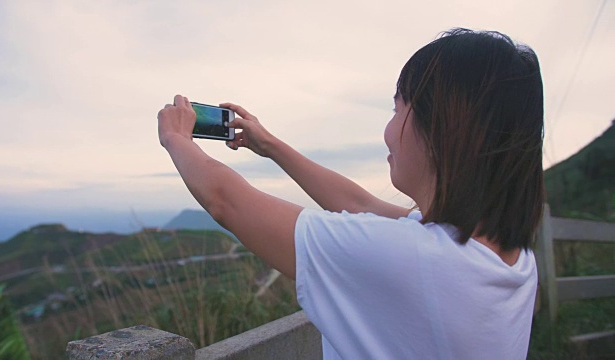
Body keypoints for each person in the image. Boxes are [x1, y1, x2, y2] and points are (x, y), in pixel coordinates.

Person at [157, 28, 544, 359]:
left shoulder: (415, 259)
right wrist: (270, 145)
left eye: (397, 110)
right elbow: (361, 206)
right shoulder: (510, 259)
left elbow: (227, 202)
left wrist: (176, 137)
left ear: (441, 128)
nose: (388, 130)